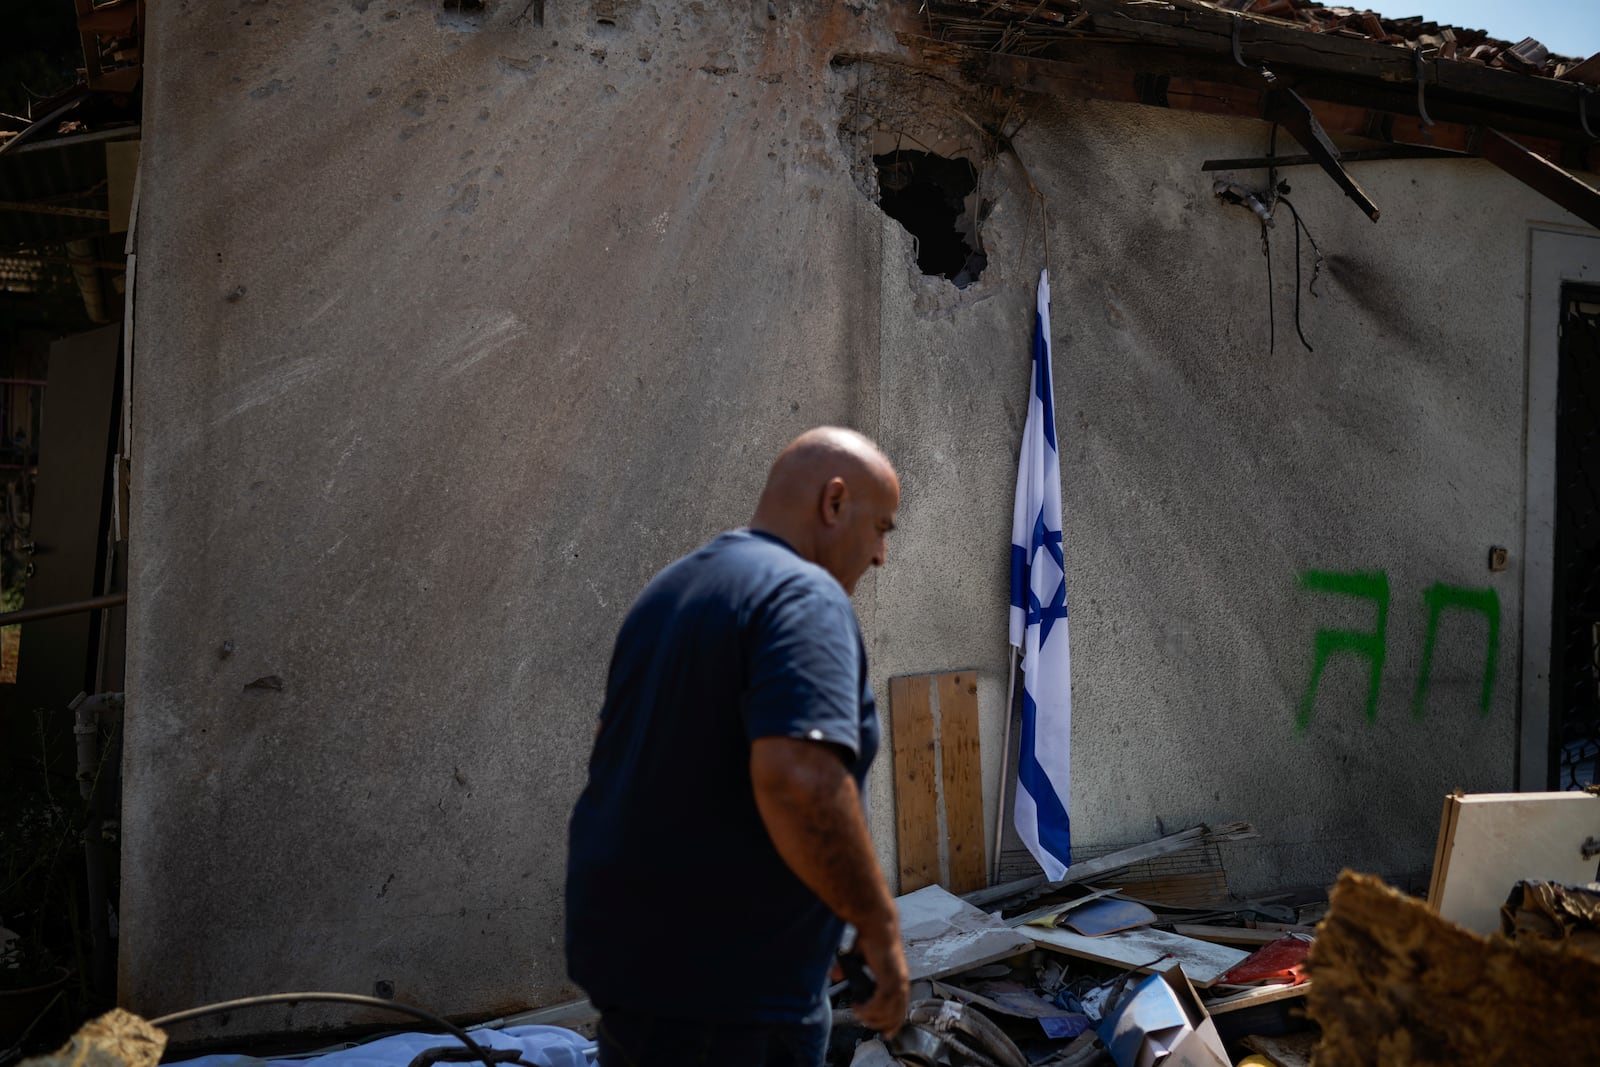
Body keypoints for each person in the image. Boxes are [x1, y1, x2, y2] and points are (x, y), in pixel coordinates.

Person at [565, 426, 911, 1067]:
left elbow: (619, 757)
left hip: (639, 988)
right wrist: (878, 925)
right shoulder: (805, 596)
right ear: (834, 504)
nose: (881, 556)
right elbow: (800, 778)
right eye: (882, 528)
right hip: (734, 1011)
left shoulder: (669, 592)